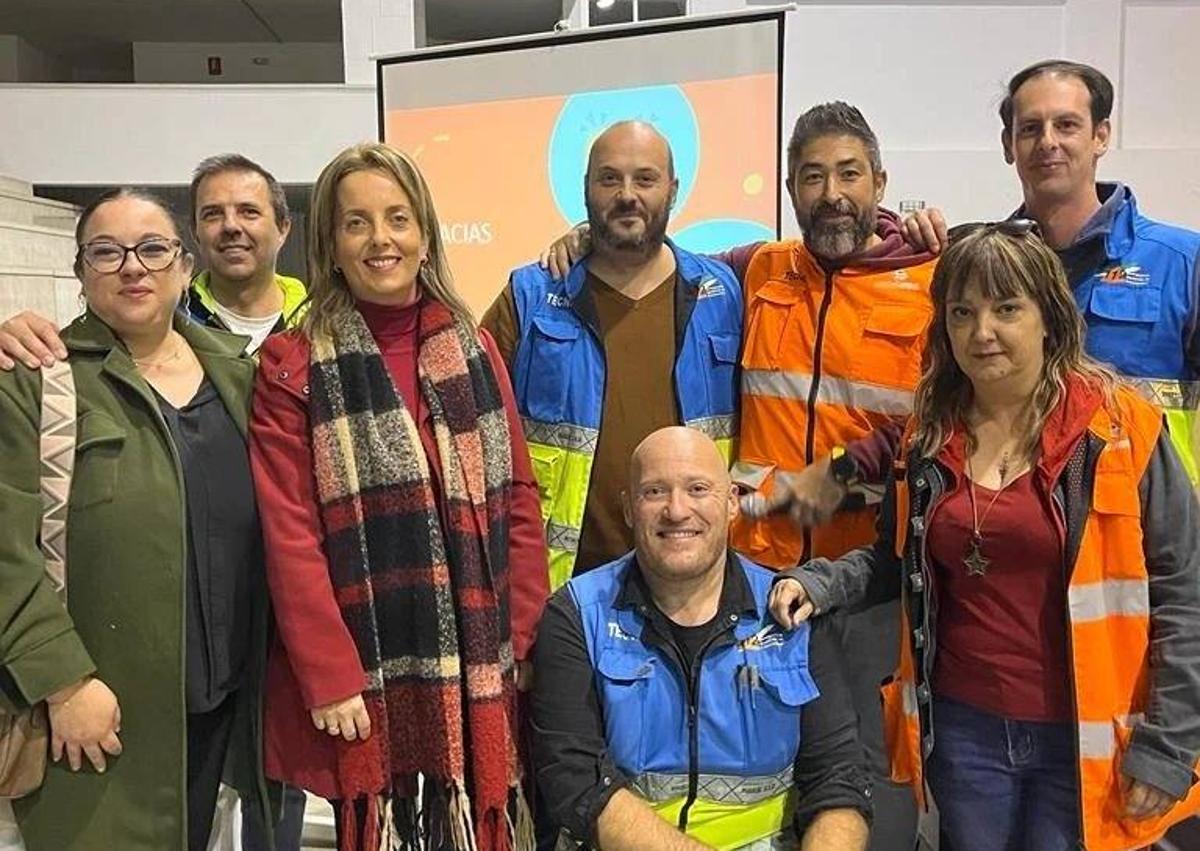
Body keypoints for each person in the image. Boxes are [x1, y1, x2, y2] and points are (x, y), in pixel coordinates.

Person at [769, 222, 1200, 851]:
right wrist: (820, 582)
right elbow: (895, 563)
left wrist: (1169, 744)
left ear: (1049, 317)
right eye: (962, 312)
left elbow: (1185, 592)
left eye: (1006, 309)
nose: (982, 332)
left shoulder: (1122, 428)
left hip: (1086, 741)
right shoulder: (928, 434)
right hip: (962, 733)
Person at [0, 153, 308, 851]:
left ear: (183, 267)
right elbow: (5, 550)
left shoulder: (240, 376)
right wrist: (63, 680)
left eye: (152, 248)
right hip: (101, 720)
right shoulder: (35, 383)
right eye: (106, 252)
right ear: (80, 273)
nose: (131, 266)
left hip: (227, 709)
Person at [248, 141, 548, 851]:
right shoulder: (294, 361)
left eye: (397, 218)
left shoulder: (472, 346)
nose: (381, 239)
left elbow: (520, 500)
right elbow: (290, 534)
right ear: (330, 240)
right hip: (363, 667)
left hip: (479, 659)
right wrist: (329, 674)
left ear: (424, 233)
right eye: (357, 223)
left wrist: (524, 634)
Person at [532, 426, 871, 850]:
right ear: (628, 509)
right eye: (655, 491)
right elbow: (575, 782)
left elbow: (838, 783)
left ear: (731, 502)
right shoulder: (576, 616)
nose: (677, 510)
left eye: (697, 488)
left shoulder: (793, 611)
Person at [902, 60, 1200, 481]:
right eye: (1030, 128)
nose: (1047, 142)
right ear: (1009, 145)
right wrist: (909, 245)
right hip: (1017, 520)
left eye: (1066, 125)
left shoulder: (1183, 262)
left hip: (1146, 524)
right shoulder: (983, 270)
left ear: (1100, 136)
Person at [483, 120, 743, 591]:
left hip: (696, 588)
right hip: (564, 592)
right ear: (586, 189)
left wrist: (901, 231)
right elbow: (474, 437)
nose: (627, 194)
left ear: (673, 188)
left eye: (645, 179)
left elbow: (822, 253)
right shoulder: (530, 296)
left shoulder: (722, 292)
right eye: (609, 178)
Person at [0, 152, 305, 366]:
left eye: (248, 211)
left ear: (283, 228)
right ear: (195, 233)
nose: (230, 226)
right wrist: (19, 338)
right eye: (212, 214)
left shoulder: (320, 320)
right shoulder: (155, 314)